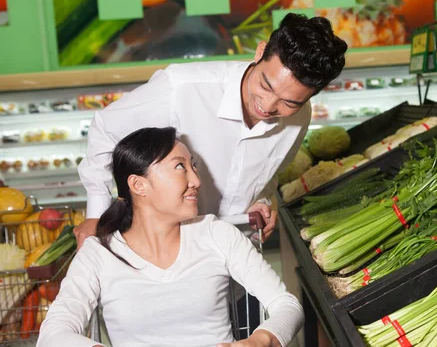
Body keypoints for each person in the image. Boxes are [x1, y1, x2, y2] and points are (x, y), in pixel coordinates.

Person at [75, 13, 348, 247]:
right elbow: (106, 128)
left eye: (289, 102)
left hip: (234, 253)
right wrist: (96, 214)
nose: (267, 106)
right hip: (161, 251)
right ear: (260, 52)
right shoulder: (182, 87)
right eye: (265, 86)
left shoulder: (300, 117)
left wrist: (261, 201)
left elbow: (265, 175)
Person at [38, 127, 304, 347]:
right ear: (138, 185)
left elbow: (286, 305)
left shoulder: (215, 234)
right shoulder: (99, 254)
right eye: (180, 167)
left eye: (194, 166)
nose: (196, 180)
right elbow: (53, 334)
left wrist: (260, 341)